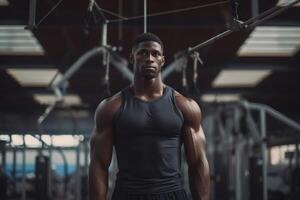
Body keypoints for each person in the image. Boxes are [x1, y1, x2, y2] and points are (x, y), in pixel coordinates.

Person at [89, 32, 210, 200]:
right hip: (128, 194)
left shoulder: (185, 106)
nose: (150, 58)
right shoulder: (111, 107)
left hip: (172, 194)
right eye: (143, 53)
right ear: (132, 58)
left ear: (162, 60)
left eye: (155, 54)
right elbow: (98, 165)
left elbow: (198, 162)